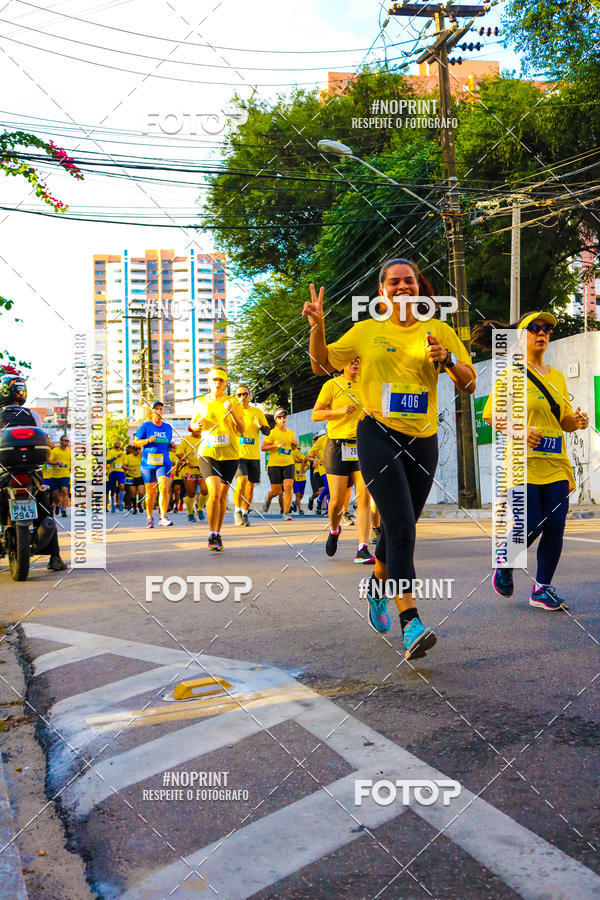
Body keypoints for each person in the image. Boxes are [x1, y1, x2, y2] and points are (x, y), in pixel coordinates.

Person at [303, 257, 476, 659]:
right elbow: (321, 363)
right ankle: (411, 621)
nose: (402, 287)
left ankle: (377, 588)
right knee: (399, 527)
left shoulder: (439, 331)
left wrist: (449, 360)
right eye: (394, 282)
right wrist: (317, 326)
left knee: (403, 526)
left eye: (408, 281)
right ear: (382, 292)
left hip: (423, 439)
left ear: (418, 287)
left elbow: (468, 384)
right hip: (377, 433)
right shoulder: (366, 331)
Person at [474, 311, 589, 610]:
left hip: (555, 463)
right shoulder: (510, 374)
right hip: (521, 463)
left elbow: (563, 420)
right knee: (532, 522)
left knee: (556, 524)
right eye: (535, 328)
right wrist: (520, 431)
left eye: (547, 329)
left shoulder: (558, 377)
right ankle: (506, 560)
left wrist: (576, 421)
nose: (542, 333)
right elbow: (492, 416)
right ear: (521, 336)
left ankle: (542, 588)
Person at [0, 374, 67, 571]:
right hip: (31, 472)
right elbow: (43, 439)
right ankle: (55, 557)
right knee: (45, 508)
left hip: (4, 471)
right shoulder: (33, 415)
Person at [312, 358, 374, 563]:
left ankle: (362, 548)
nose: (355, 363)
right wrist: (338, 411)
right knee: (337, 502)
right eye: (350, 360)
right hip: (337, 445)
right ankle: (334, 529)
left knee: (363, 497)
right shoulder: (331, 385)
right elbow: (315, 414)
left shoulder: (369, 383)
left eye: (358, 360)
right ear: (341, 364)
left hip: (363, 444)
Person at [191, 366, 244, 551]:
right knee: (214, 491)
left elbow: (241, 429)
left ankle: (218, 533)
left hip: (230, 454)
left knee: (221, 496)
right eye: (214, 379)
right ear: (208, 382)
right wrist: (196, 425)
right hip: (208, 452)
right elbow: (193, 425)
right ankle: (211, 534)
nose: (217, 383)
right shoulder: (200, 402)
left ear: (225, 383)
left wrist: (232, 412)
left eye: (221, 380)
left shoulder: (233, 401)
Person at [233, 385, 270, 526]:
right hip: (238, 454)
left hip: (253, 455)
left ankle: (245, 512)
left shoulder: (257, 412)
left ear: (250, 396)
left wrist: (261, 426)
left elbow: (267, 432)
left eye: (245, 394)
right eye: (239, 394)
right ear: (235, 397)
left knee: (250, 486)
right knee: (241, 481)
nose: (242, 396)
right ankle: (237, 511)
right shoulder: (232, 412)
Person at [133, 401, 173, 528]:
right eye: (156, 409)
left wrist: (172, 447)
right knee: (150, 492)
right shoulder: (145, 426)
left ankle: (163, 517)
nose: (159, 411)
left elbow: (167, 443)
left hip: (163, 463)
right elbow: (136, 442)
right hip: (148, 463)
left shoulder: (168, 427)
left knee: (164, 487)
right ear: (151, 412)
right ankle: (149, 517)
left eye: (161, 409)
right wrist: (147, 440)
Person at [262, 410, 298, 520]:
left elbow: (292, 448)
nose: (282, 419)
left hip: (288, 463)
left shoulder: (291, 433)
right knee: (276, 491)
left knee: (288, 487)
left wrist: (294, 445)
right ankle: (268, 497)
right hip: (274, 465)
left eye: (284, 417)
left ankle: (286, 513)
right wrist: (276, 445)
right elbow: (263, 447)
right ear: (276, 420)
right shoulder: (272, 433)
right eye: (279, 417)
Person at [175, 423, 209, 522]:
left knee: (205, 490)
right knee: (191, 493)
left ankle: (200, 509)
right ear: (191, 429)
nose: (198, 429)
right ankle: (190, 512)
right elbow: (179, 453)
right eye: (196, 428)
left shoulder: (205, 439)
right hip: (189, 471)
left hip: (202, 470)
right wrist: (187, 461)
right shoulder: (186, 439)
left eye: (200, 428)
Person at [48, 435, 71, 518]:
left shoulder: (69, 452)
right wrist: (57, 463)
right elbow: (48, 461)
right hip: (55, 476)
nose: (66, 442)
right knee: (55, 495)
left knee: (65, 490)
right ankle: (57, 505)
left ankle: (64, 509)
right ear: (60, 441)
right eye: (64, 440)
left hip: (65, 475)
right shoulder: (54, 451)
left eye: (67, 441)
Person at [305, 432, 328, 515]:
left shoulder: (329, 441)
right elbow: (306, 458)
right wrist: (315, 459)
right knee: (320, 491)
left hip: (329, 468)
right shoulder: (318, 443)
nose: (316, 441)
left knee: (328, 489)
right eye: (315, 439)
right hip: (318, 471)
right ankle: (315, 500)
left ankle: (325, 508)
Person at [123, 444, 144, 514]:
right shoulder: (128, 457)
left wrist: (140, 453)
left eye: (138, 450)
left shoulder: (140, 456)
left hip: (140, 476)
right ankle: (134, 507)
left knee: (141, 492)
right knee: (133, 493)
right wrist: (130, 468)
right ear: (132, 450)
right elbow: (123, 466)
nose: (137, 451)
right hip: (130, 476)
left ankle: (139, 504)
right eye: (136, 450)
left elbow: (146, 460)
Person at [106, 440, 126, 513]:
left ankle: (120, 504)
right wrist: (116, 457)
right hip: (112, 472)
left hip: (121, 472)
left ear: (120, 445)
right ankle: (113, 505)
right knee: (112, 489)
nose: (116, 444)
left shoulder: (123, 453)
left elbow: (125, 463)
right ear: (113, 445)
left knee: (122, 487)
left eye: (117, 443)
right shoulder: (110, 452)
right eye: (115, 444)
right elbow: (107, 461)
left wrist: (126, 469)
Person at [292, 446, 308, 515]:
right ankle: (300, 509)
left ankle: (294, 503)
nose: (297, 451)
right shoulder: (292, 458)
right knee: (297, 495)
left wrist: (305, 470)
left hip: (303, 478)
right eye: (296, 449)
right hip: (295, 478)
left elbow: (308, 465)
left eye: (298, 449)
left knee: (301, 495)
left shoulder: (303, 457)